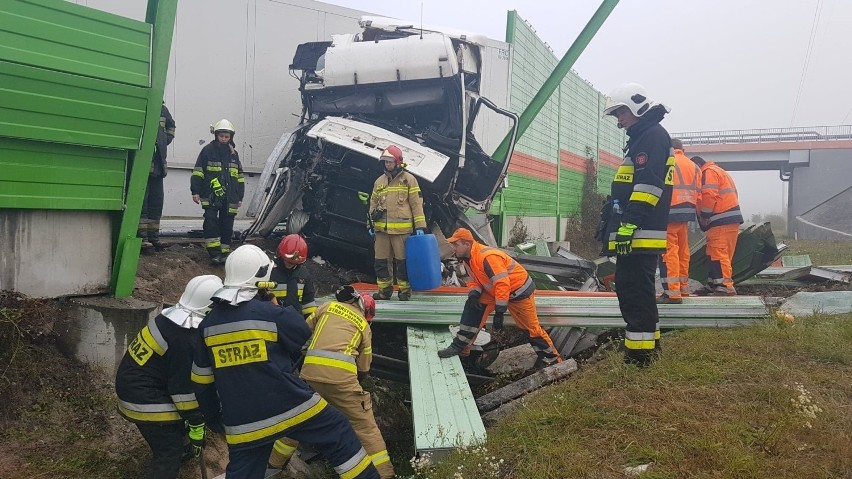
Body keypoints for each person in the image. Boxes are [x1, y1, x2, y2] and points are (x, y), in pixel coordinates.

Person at [191, 245, 379, 479]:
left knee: (244, 470)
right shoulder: (270, 314)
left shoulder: (207, 326)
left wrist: (214, 418)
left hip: (242, 421)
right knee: (337, 429)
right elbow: (300, 335)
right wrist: (271, 302)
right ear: (260, 278)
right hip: (290, 404)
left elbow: (201, 381)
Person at [269, 286, 394, 478]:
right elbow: (364, 368)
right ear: (367, 313)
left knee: (298, 419)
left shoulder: (327, 307)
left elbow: (302, 331)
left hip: (309, 374)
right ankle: (384, 474)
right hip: (342, 380)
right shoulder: (363, 325)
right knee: (365, 428)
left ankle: (274, 463)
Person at [115, 274, 223, 479]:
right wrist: (197, 423)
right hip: (144, 398)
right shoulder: (187, 340)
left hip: (134, 386)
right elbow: (183, 391)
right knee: (168, 453)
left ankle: (183, 448)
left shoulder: (169, 318)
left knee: (175, 434)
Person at [600, 82, 675, 367]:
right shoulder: (646, 136)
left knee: (633, 292)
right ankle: (648, 349)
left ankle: (639, 357)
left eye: (621, 113)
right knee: (638, 291)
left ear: (637, 107)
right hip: (639, 231)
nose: (619, 119)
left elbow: (647, 186)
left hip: (639, 232)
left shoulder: (651, 137)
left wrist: (629, 226)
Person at [437, 227, 561, 368]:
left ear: (467, 244)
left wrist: (499, 311)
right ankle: (460, 347)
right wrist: (473, 295)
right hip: (495, 292)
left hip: (518, 293)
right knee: (473, 308)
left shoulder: (487, 257)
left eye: (456, 244)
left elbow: (503, 284)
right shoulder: (467, 259)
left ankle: (553, 361)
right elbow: (474, 280)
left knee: (531, 329)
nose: (453, 248)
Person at [368, 145, 427, 301]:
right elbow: (372, 204)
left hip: (402, 232)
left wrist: (420, 226)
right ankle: (384, 291)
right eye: (385, 162)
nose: (388, 165)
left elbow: (416, 204)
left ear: (398, 162)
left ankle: (405, 291)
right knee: (380, 262)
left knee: (402, 263)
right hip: (381, 230)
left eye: (390, 162)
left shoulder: (409, 180)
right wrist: (370, 225)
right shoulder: (379, 181)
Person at [191, 119, 245, 265]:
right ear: (216, 135)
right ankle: (214, 253)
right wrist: (195, 191)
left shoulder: (234, 154)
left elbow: (239, 177)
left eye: (227, 137)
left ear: (231, 137)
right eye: (221, 136)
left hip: (230, 196)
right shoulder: (207, 150)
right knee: (211, 221)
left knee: (227, 224)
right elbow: (198, 171)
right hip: (211, 194)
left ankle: (225, 252)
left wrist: (239, 196)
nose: (224, 139)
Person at [690, 155, 743, 296]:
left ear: (697, 167)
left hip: (720, 218)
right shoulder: (719, 171)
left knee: (718, 252)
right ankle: (714, 283)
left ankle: (724, 286)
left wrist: (704, 217)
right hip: (728, 218)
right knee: (717, 253)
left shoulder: (708, 173)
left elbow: (708, 196)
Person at [657, 138, 701, 304]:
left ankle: (672, 293)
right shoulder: (694, 166)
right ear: (683, 150)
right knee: (683, 251)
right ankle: (683, 287)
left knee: (669, 251)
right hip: (686, 212)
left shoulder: (666, 161)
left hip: (669, 211)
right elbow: (699, 192)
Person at [138, 102, 176, 251]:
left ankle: (154, 237)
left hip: (158, 167)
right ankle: (142, 238)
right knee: (143, 204)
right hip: (143, 168)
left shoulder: (163, 109)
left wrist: (163, 140)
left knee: (156, 202)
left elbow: (171, 127)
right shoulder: (143, 105)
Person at [269, 234, 317, 318]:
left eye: (295, 263)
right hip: (273, 320)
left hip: (295, 321)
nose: (291, 265)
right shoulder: (270, 272)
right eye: (289, 262)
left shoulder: (304, 275)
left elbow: (308, 303)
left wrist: (309, 323)